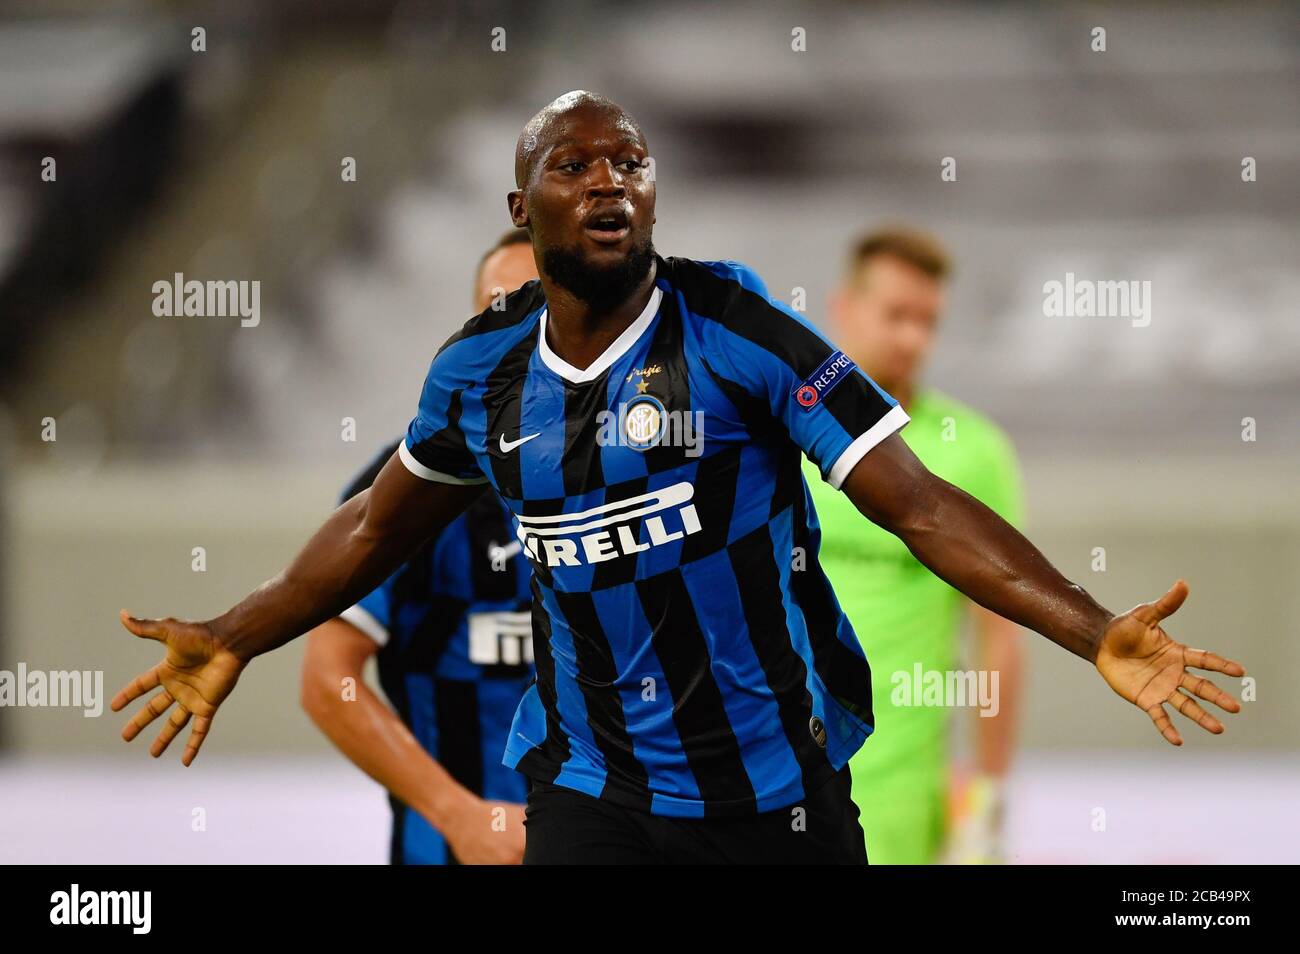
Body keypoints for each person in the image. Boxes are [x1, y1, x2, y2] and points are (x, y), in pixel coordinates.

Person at [112, 91, 1245, 866]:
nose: (609, 181)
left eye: (630, 164)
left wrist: (1093, 630)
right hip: (589, 795)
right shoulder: (477, 373)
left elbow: (921, 505)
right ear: (524, 209)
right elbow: (371, 533)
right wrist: (238, 632)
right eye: (575, 165)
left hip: (774, 794)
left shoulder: (739, 328)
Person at [299, 229, 538, 865]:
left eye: (541, 309)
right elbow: (328, 677)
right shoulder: (410, 489)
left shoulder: (642, 481)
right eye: (497, 310)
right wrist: (458, 813)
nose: (517, 332)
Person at [806, 227, 1023, 864]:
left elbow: (998, 634)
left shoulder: (973, 454)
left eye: (928, 321)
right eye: (896, 315)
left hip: (904, 800)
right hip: (772, 787)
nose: (913, 339)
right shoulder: (776, 438)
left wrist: (989, 792)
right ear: (843, 307)